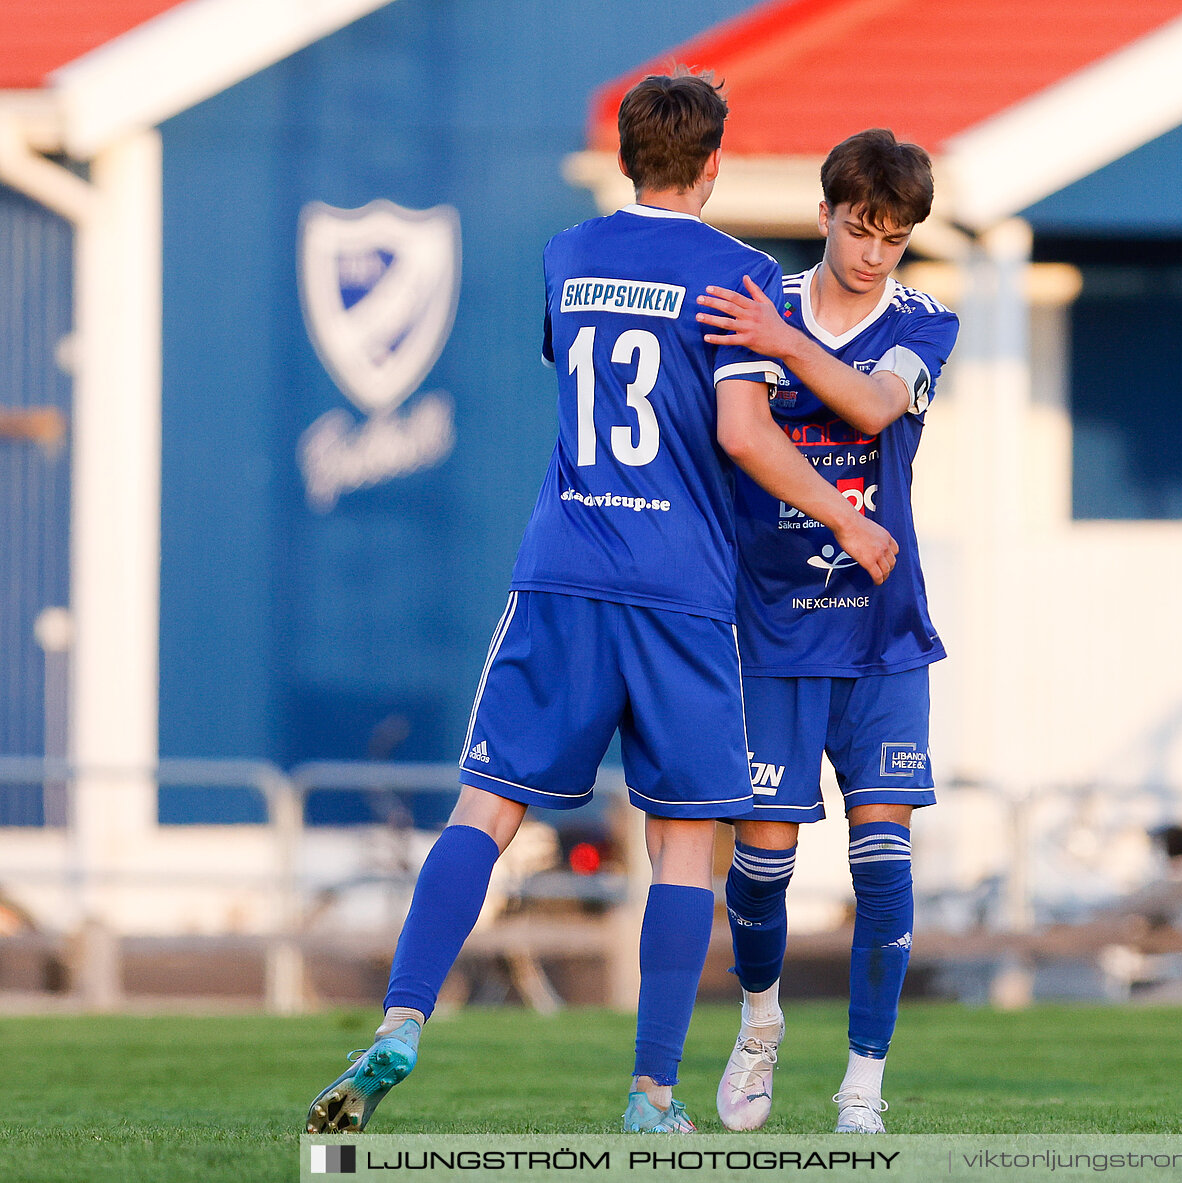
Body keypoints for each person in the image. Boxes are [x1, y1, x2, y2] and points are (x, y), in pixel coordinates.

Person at [304, 71, 897, 1137]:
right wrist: (848, 520)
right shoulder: (737, 275)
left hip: (563, 572)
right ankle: (652, 1095)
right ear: (716, 163)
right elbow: (743, 434)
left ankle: (399, 1020)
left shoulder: (568, 255)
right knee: (681, 842)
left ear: (626, 159)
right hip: (678, 591)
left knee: (485, 809)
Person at [694, 128, 958, 1134]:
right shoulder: (754, 304)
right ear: (825, 215)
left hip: (884, 634)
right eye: (860, 229)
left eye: (894, 237)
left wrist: (786, 346)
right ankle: (760, 1023)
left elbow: (872, 402)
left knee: (883, 862)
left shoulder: (924, 321)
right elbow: (741, 430)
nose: (874, 253)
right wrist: (773, 339)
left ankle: (862, 1087)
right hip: (772, 631)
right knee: (761, 860)